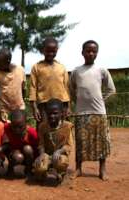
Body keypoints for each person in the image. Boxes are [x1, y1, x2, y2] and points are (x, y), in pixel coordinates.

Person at [70, 40, 116, 181]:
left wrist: (101, 99)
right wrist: (77, 101)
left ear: (97, 53)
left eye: (93, 51)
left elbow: (111, 89)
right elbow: (71, 89)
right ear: (82, 52)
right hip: (81, 112)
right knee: (81, 141)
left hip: (99, 112)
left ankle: (102, 170)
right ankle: (78, 168)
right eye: (88, 50)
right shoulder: (76, 71)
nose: (91, 53)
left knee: (101, 141)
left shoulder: (102, 70)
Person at [29, 37, 70, 126]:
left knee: (62, 130)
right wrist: (34, 108)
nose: (51, 54)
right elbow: (33, 87)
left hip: (60, 105)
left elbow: (66, 88)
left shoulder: (61, 67)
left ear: (57, 50)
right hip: (44, 106)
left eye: (53, 51)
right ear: (43, 50)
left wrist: (67, 107)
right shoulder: (36, 67)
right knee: (44, 131)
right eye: (48, 51)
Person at [33, 99, 73, 183]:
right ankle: (43, 174)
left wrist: (59, 151)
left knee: (61, 162)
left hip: (60, 155)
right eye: (49, 113)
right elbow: (41, 144)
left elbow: (69, 145)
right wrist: (42, 155)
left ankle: (61, 173)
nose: (52, 116)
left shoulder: (67, 126)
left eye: (55, 113)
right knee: (40, 166)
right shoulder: (42, 126)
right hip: (47, 154)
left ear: (61, 113)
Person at [0, 48, 26, 122]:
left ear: (8, 61)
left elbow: (23, 88)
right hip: (4, 109)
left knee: (19, 127)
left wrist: (21, 102)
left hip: (19, 108)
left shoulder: (20, 70)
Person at [4, 110, 38, 178]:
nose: (17, 130)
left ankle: (29, 170)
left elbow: (37, 148)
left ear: (26, 123)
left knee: (27, 149)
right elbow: (4, 145)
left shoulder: (31, 132)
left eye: (20, 127)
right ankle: (10, 168)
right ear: (11, 124)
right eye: (14, 127)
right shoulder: (6, 128)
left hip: (29, 157)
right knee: (17, 155)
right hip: (15, 155)